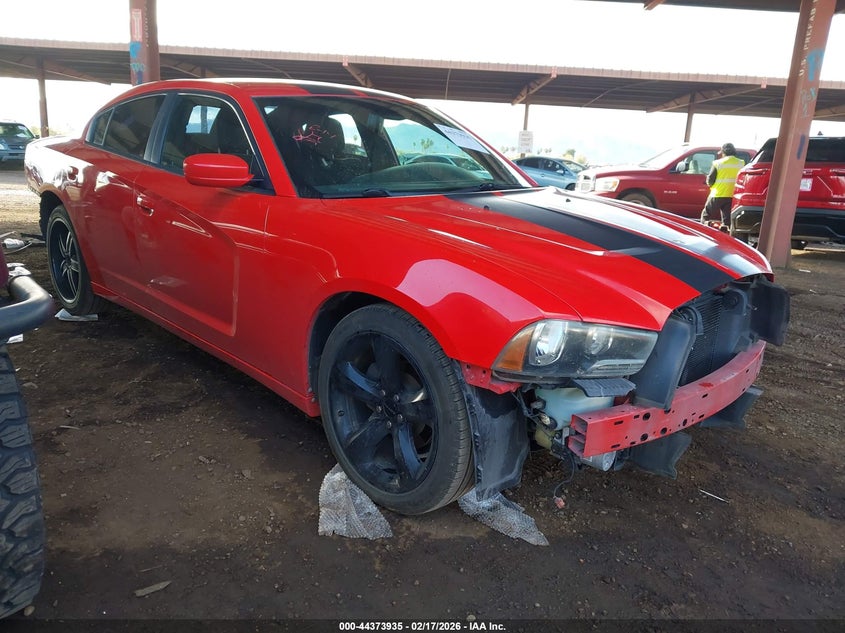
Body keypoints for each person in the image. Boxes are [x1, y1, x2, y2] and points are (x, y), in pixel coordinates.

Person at [700, 142, 745, 226]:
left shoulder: (717, 163)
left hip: (717, 194)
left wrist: (710, 184)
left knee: (705, 216)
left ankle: (708, 225)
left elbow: (710, 179)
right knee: (727, 220)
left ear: (723, 152)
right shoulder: (741, 163)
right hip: (732, 195)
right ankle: (725, 232)